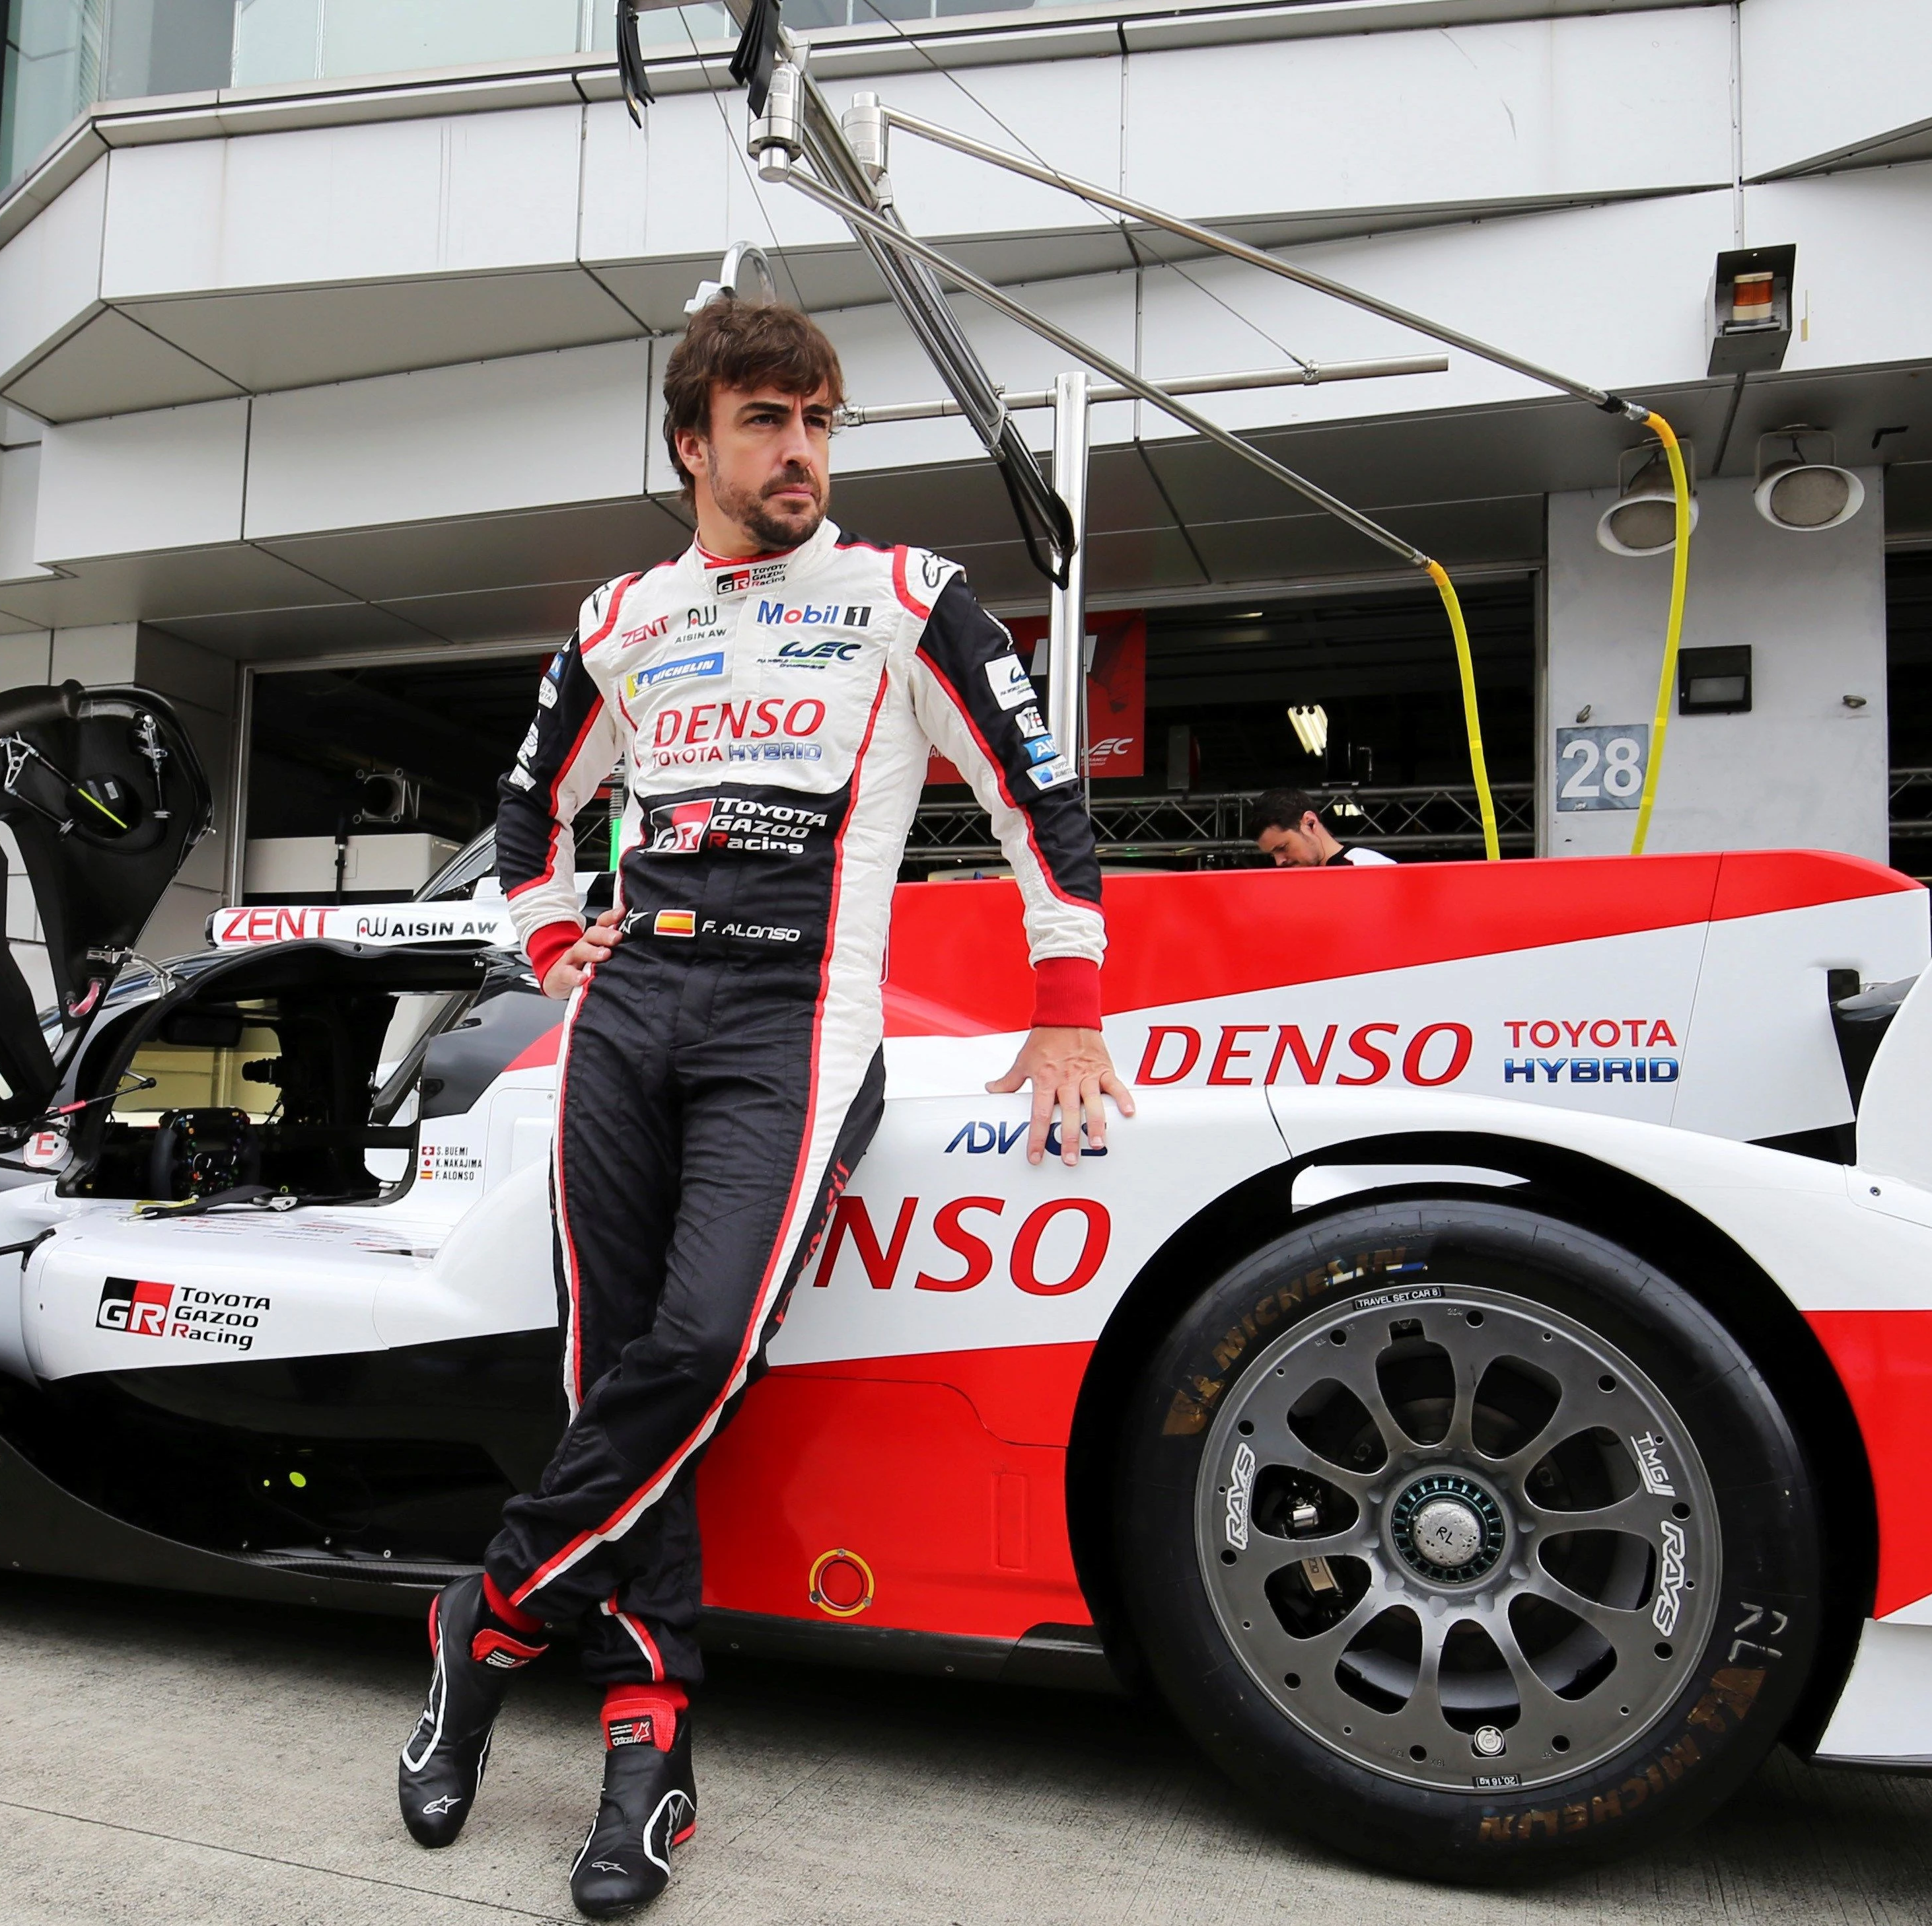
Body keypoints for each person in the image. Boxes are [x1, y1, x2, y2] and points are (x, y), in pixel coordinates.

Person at [396, 296, 1128, 1917]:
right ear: (693, 444)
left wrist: (1064, 1005)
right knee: (607, 1371)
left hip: (797, 1018)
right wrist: (538, 930)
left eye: (816, 421)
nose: (797, 451)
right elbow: (527, 809)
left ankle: (487, 1613)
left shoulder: (906, 596)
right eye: (764, 421)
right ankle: (644, 1737)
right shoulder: (622, 616)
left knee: (703, 1345)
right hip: (625, 1013)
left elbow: (1039, 801)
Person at [1252, 787, 1395, 867]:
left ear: (1310, 823)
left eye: (1283, 848)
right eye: (1273, 855)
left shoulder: (1370, 868)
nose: (1279, 862)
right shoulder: (1292, 889)